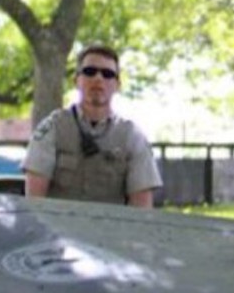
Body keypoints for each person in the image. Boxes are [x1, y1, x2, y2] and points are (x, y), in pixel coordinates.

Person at [22, 41, 162, 205]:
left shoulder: (132, 137)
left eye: (108, 74)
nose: (98, 78)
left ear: (117, 85)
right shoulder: (53, 128)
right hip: (57, 229)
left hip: (111, 230)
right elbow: (34, 203)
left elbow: (142, 212)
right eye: (90, 71)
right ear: (76, 80)